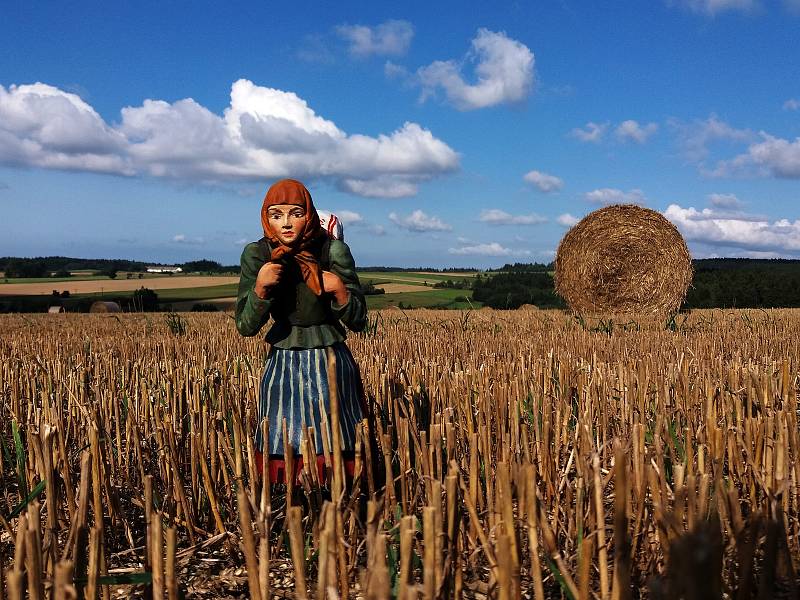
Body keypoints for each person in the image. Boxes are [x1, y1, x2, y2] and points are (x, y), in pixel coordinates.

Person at [235, 178, 368, 487]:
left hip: (330, 358)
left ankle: (341, 499)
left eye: (295, 213)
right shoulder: (257, 255)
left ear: (309, 214)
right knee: (283, 433)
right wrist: (260, 289)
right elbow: (245, 325)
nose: (286, 223)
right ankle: (288, 502)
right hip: (283, 360)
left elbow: (360, 320)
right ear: (265, 217)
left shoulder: (333, 250)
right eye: (276, 214)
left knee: (335, 432)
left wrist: (339, 291)